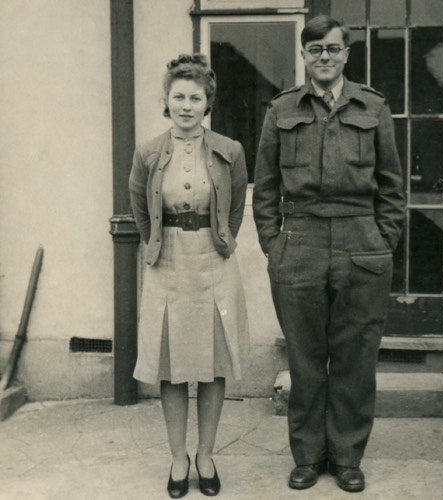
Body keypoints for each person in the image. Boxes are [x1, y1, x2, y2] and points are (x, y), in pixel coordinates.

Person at [253, 15, 405, 493]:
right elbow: (265, 188)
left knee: (355, 359)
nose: (324, 56)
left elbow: (392, 187)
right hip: (300, 240)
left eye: (333, 48)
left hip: (361, 240)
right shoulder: (281, 109)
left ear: (346, 54)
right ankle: (307, 456)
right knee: (305, 359)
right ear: (304, 55)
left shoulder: (372, 106)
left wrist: (382, 240)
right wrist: (275, 245)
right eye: (315, 49)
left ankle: (347, 457)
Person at [129, 54, 248, 498]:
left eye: (195, 98)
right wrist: (159, 245)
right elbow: (141, 211)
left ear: (207, 103)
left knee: (213, 363)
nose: (186, 106)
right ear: (166, 100)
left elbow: (235, 210)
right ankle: (178, 457)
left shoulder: (229, 150)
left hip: (213, 262)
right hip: (168, 263)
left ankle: (206, 454)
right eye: (178, 97)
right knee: (171, 366)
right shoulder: (147, 153)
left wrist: (219, 240)